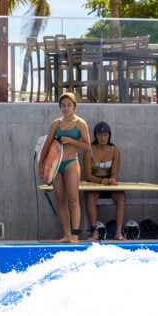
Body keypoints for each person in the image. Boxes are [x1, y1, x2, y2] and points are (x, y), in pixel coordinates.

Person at [38, 92, 91, 243]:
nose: (66, 108)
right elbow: (47, 145)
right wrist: (42, 166)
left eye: (69, 105)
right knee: (61, 201)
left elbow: (87, 146)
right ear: (60, 107)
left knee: (73, 199)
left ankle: (75, 234)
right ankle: (67, 234)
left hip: (71, 164)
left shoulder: (81, 124)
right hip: (56, 166)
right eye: (63, 105)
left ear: (75, 106)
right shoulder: (56, 123)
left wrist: (71, 140)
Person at [83, 121, 126, 241]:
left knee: (121, 196)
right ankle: (95, 233)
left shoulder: (114, 150)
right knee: (90, 197)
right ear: (95, 136)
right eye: (100, 135)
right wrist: (100, 181)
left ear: (109, 136)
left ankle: (118, 232)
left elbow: (114, 174)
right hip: (94, 183)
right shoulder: (89, 150)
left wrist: (112, 180)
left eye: (105, 135)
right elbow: (88, 176)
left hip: (108, 183)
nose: (102, 138)